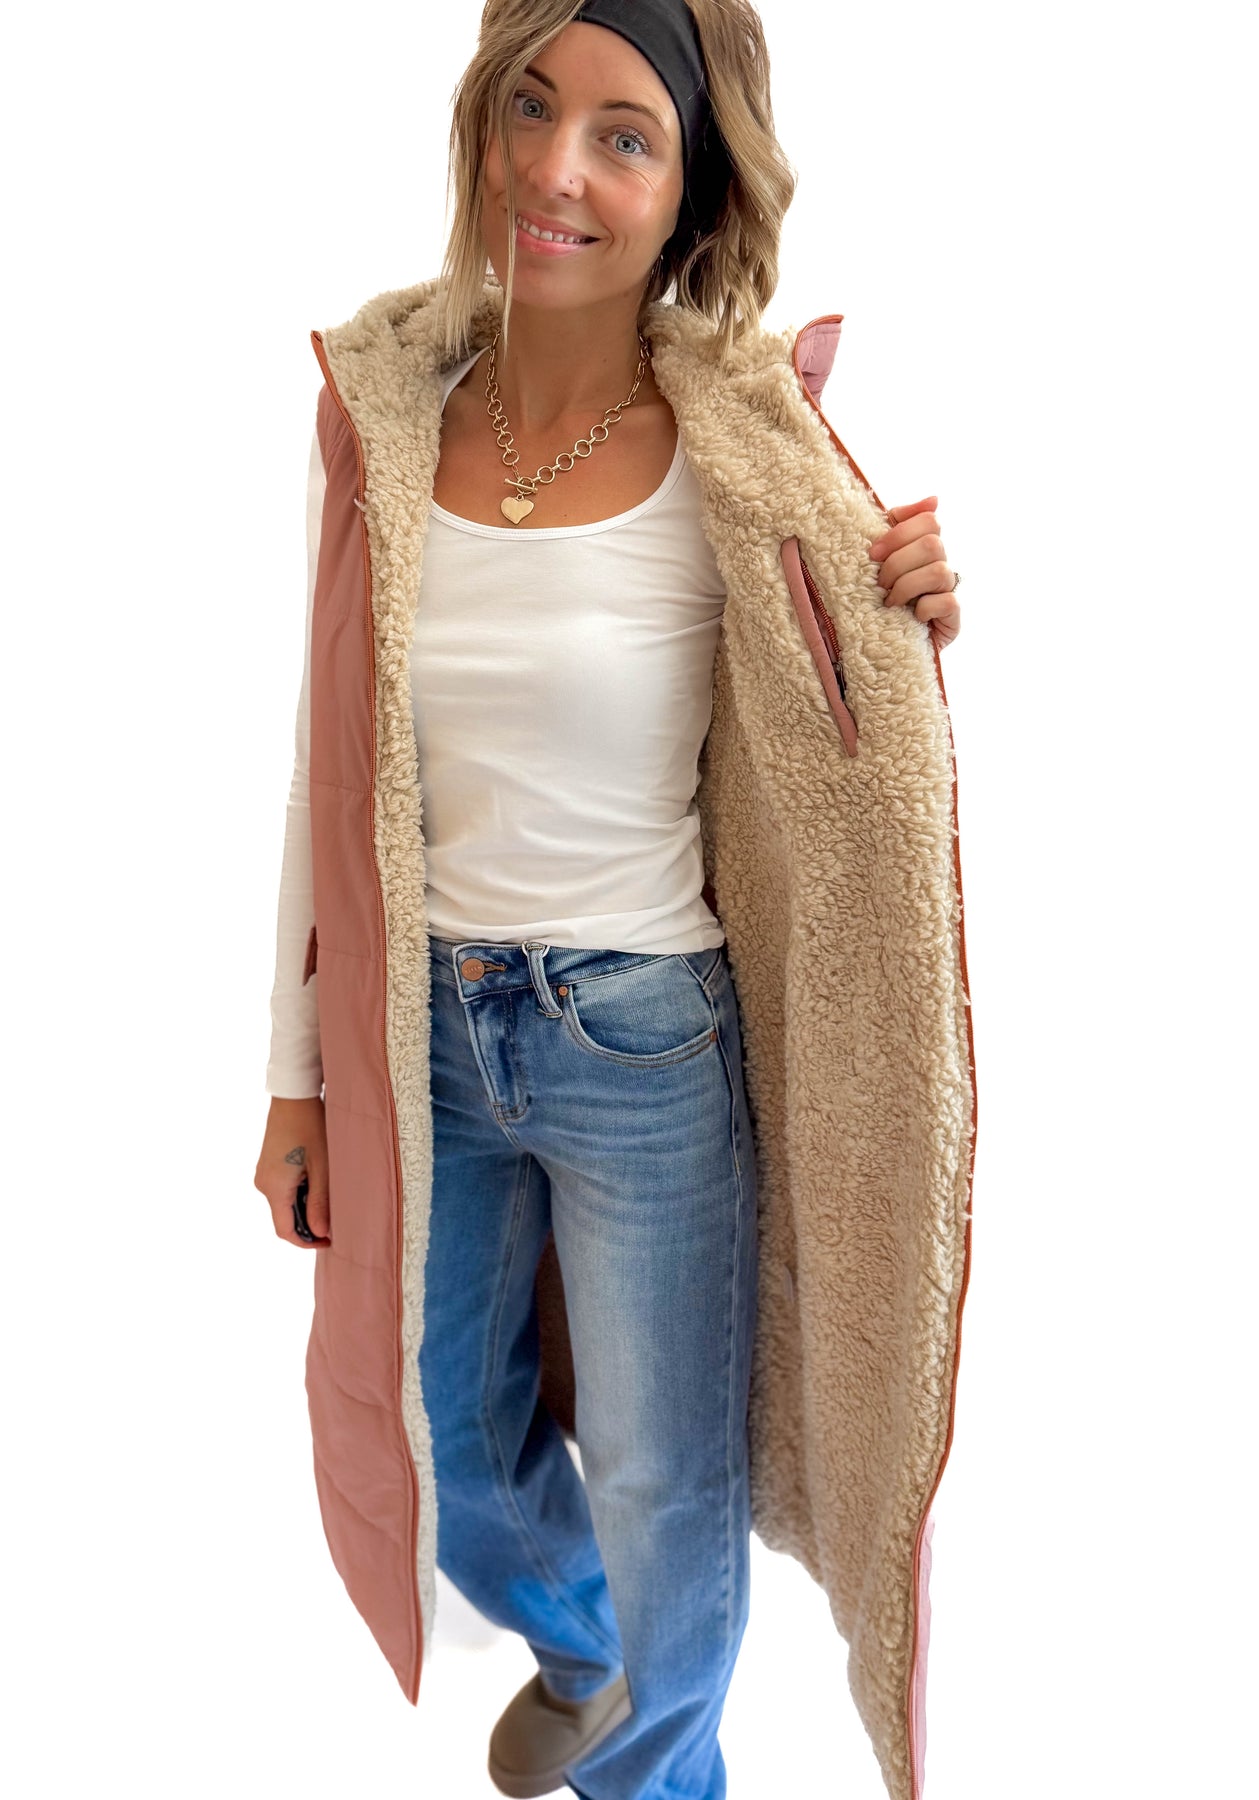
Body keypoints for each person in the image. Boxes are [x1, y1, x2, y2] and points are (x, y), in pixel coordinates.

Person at [254, 4, 971, 1799]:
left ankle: (663, 1775)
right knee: (447, 1432)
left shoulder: (746, 459)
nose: (555, 170)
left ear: (692, 193)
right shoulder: (382, 424)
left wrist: (905, 619)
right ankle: (582, 1652)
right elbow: (327, 772)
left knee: (669, 1492)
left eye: (624, 137)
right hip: (421, 1030)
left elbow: (847, 738)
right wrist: (294, 1072)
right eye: (530, 106)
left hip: (644, 1043)